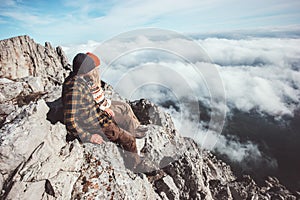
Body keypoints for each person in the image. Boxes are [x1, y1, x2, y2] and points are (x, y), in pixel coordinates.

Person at [62, 52, 152, 172]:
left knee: (126, 120)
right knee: (128, 139)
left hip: (99, 116)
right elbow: (69, 120)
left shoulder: (78, 80)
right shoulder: (74, 89)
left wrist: (104, 109)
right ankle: (136, 165)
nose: (94, 70)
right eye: (91, 68)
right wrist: (89, 137)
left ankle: (131, 151)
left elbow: (87, 103)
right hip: (97, 125)